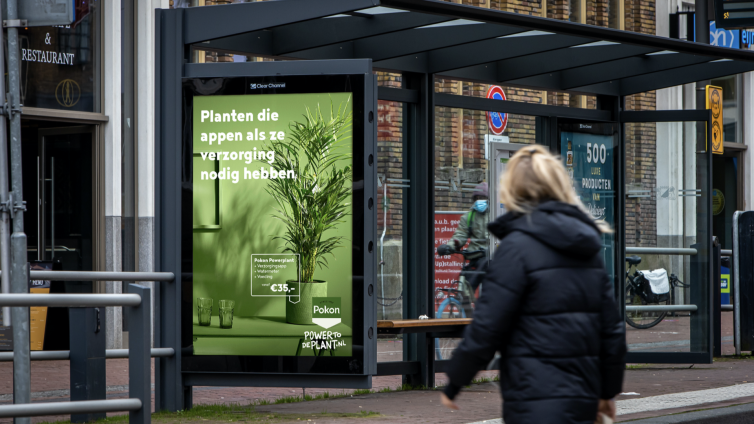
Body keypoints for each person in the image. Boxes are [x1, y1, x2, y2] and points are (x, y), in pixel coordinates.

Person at [439, 145, 626, 424]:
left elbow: (488, 326)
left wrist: (455, 382)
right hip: (582, 400)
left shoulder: (515, 248)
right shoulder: (586, 245)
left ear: (513, 191)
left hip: (531, 400)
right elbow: (612, 332)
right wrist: (607, 393)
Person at [436, 182, 490, 291]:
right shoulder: (468, 217)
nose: (480, 200)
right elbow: (460, 234)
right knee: (465, 285)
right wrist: (450, 246)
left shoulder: (496, 215)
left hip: (490, 257)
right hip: (474, 256)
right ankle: (464, 302)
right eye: (478, 198)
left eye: (483, 197)